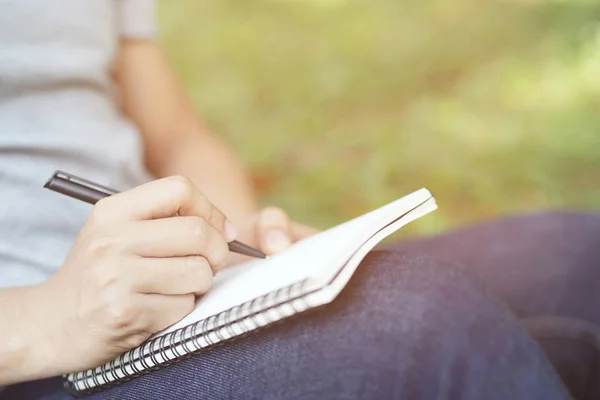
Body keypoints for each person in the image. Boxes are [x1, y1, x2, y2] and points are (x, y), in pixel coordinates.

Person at [0, 1, 597, 399]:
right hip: (42, 359)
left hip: (172, 298)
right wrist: (46, 319)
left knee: (579, 260)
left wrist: (233, 240)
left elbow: (177, 133)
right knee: (420, 328)